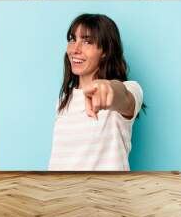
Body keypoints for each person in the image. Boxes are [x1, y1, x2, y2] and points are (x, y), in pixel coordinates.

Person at [48, 13, 144, 171]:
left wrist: (109, 88)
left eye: (87, 41)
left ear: (105, 51)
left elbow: (123, 96)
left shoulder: (129, 89)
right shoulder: (63, 101)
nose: (75, 49)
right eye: (72, 39)